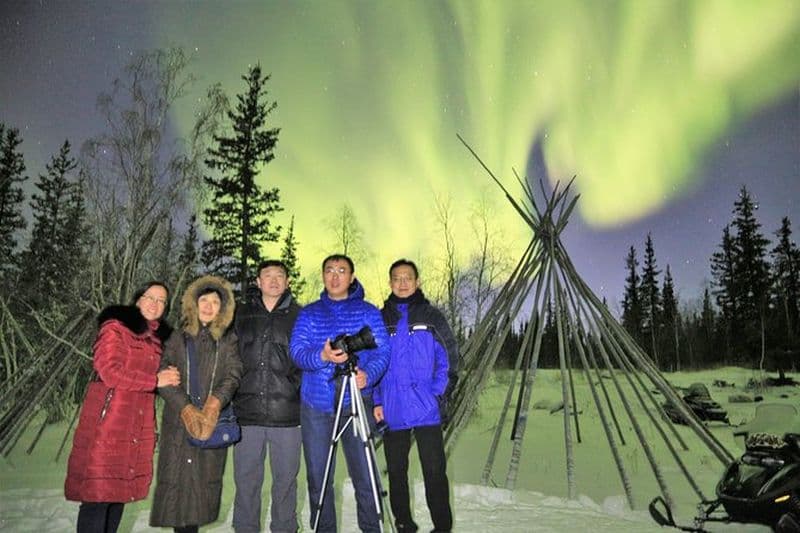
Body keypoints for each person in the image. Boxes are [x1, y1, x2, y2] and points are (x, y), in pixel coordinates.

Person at [65, 281, 179, 533]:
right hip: (109, 422)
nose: (155, 304)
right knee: (98, 495)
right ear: (137, 299)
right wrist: (155, 380)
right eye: (150, 297)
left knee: (118, 494)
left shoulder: (158, 340)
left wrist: (168, 376)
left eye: (162, 301)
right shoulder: (116, 327)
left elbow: (155, 378)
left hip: (137, 425)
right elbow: (109, 371)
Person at [290, 254, 390, 532]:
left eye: (342, 271)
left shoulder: (369, 312)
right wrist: (322, 356)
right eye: (330, 271)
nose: (335, 276)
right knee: (319, 478)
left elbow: (382, 350)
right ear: (323, 276)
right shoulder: (309, 313)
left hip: (357, 402)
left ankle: (372, 528)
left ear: (352, 276)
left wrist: (367, 375)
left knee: (366, 476)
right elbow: (297, 352)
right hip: (317, 406)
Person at [150, 275, 242, 533]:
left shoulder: (227, 340)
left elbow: (234, 373)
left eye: (215, 301)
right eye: (204, 300)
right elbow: (164, 378)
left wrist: (214, 404)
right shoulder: (176, 337)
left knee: (200, 494)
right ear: (194, 302)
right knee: (178, 497)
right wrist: (186, 408)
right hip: (179, 425)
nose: (209, 306)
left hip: (211, 424)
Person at [373, 259, 459, 533]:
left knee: (434, 472)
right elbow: (373, 362)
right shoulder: (380, 318)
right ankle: (404, 525)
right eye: (396, 278)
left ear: (417, 281)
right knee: (396, 473)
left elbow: (450, 358)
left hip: (426, 408)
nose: (402, 282)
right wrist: (376, 401)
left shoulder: (432, 316)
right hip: (392, 407)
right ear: (390, 283)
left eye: (407, 277)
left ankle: (442, 527)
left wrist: (437, 394)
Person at [232, 260, 302, 533]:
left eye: (279, 276)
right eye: (267, 276)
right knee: (246, 482)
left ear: (287, 282)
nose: (273, 280)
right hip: (247, 415)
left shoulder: (301, 315)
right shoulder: (241, 314)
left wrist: (293, 385)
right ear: (258, 282)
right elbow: (229, 358)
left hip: (287, 414)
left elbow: (308, 359)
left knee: (285, 482)